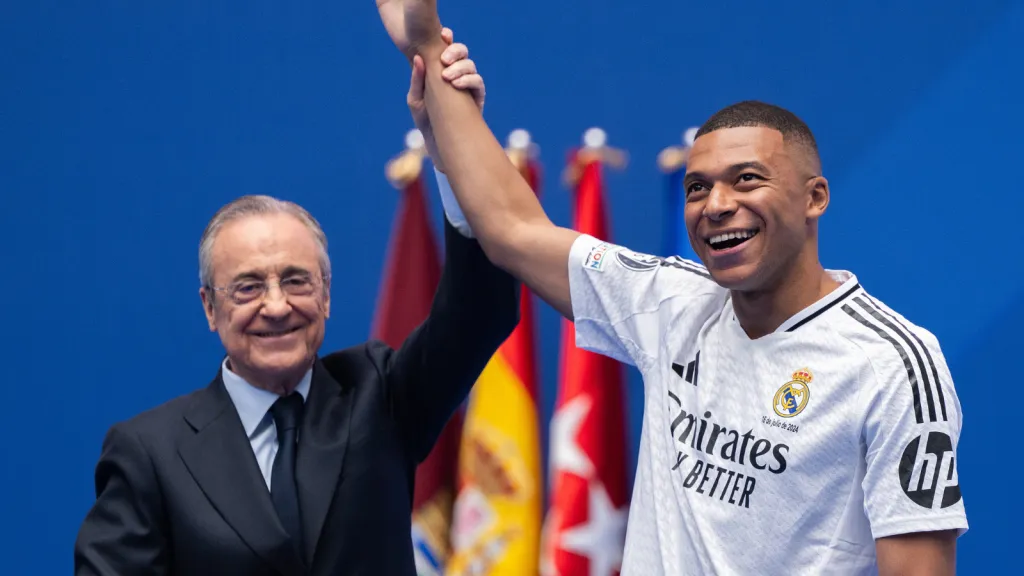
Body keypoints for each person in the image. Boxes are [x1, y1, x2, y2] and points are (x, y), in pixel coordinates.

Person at [378, 2, 968, 574]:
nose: (716, 205)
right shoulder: (672, 302)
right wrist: (427, 45)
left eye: (747, 180)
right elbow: (513, 229)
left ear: (814, 198)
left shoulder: (892, 364)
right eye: (696, 188)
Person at [73, 32, 513, 576]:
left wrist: (455, 144)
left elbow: (479, 311)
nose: (277, 306)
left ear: (326, 296)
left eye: (297, 281)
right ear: (209, 308)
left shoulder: (381, 396)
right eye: (248, 287)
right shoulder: (150, 452)